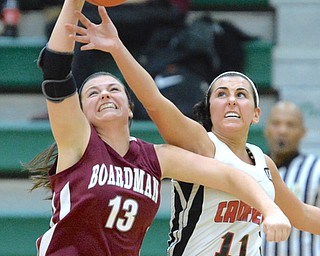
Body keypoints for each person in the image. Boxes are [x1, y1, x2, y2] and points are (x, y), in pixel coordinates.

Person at [28, 1, 293, 255]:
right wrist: (74, 3)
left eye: (113, 89)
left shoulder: (154, 158)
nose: (105, 95)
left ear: (130, 107)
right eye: (93, 93)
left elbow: (230, 176)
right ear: (81, 113)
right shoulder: (77, 143)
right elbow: (55, 73)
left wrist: (269, 209)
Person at [262, 100, 320, 256]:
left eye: (290, 125)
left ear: (303, 132)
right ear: (266, 129)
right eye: (276, 123)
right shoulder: (252, 168)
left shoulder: (316, 169)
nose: (282, 131)